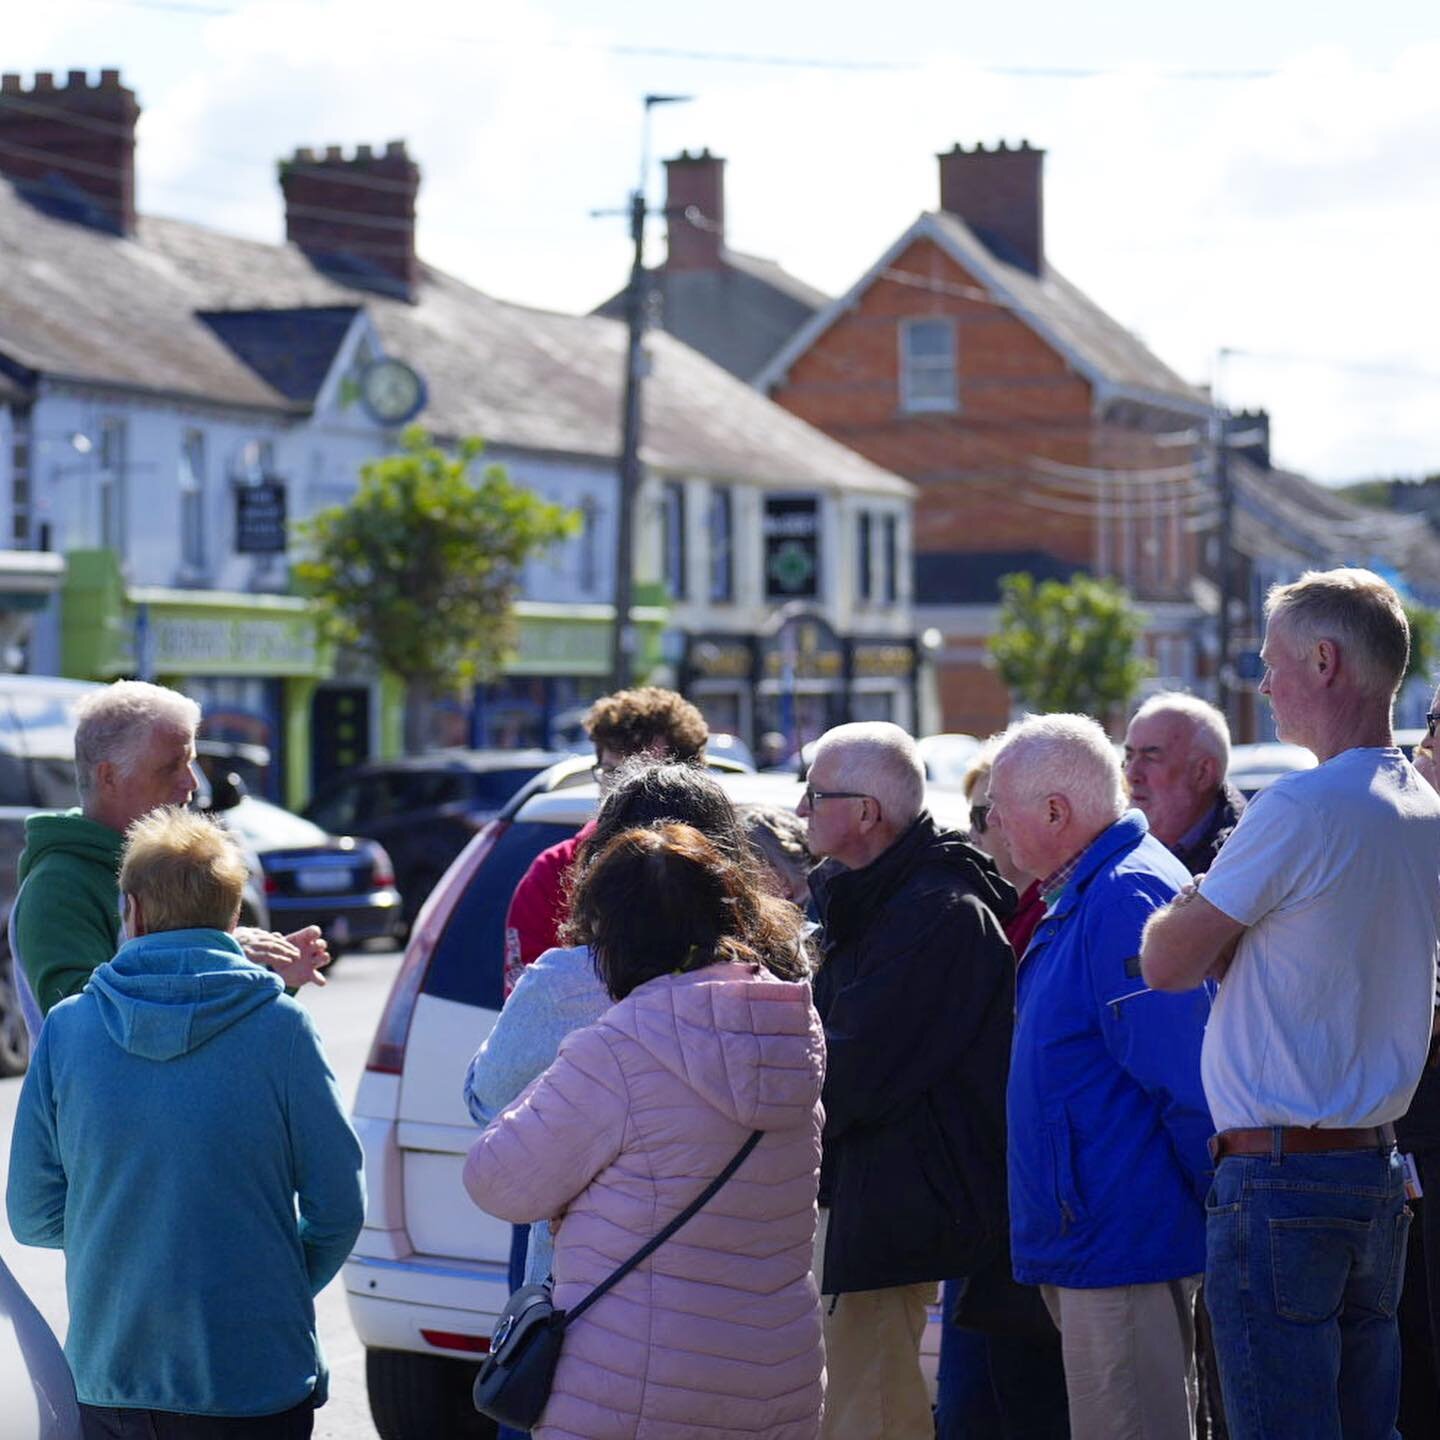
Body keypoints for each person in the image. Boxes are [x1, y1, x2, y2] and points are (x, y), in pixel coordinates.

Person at [1142, 567, 1440, 1440]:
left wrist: (1201, 903)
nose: (1261, 683)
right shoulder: (1423, 804)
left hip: (1282, 1174)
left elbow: (1165, 960)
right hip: (1375, 1170)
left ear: (1323, 661)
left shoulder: (1302, 806)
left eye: (1270, 662)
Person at [7, 807, 365, 1439]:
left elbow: (32, 1213)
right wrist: (271, 1282)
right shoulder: (281, 1027)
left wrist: (132, 1238)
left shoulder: (68, 1028)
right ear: (234, 918)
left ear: (134, 912)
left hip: (111, 1377)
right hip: (254, 1379)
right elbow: (338, 1206)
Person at [464, 822, 825, 1440]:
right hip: (776, 1383)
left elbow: (496, 1181)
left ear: (613, 939)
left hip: (632, 1384)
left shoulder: (617, 1049)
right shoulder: (791, 1031)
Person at [465, 761, 809, 1288]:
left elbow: (489, 1111)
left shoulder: (573, 982)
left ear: (606, 868)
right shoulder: (786, 982)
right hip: (766, 1309)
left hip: (609, 1303)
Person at [989, 713, 1213, 1440]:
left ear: (1057, 812)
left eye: (999, 806)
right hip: (1108, 1241)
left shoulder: (1122, 897)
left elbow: (1186, 1082)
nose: (989, 823)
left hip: (1125, 1248)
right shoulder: (1100, 889)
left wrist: (1220, 1216)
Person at [799, 721, 1016, 1440]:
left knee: (870, 1412)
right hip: (859, 1200)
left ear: (868, 813)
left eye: (816, 793)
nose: (801, 808)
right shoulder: (865, 899)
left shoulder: (939, 916)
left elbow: (846, 1076)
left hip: (892, 1212)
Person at [13, 680, 327, 1032]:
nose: (192, 783)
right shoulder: (59, 886)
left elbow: (202, 1032)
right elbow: (85, 1029)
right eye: (171, 766)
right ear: (109, 776)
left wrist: (273, 977)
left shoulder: (168, 867)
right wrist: (215, 954)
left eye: (191, 762)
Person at [934, 739, 1067, 1440]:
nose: (979, 828)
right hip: (982, 1206)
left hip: (1038, 1201)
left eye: (991, 812)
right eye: (975, 811)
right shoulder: (970, 914)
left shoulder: (1061, 916)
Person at [502, 686, 707, 994]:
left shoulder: (716, 871)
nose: (625, 789)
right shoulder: (555, 872)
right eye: (612, 772)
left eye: (645, 775)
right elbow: (528, 1001)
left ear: (687, 782)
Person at [1123, 691, 1245, 873]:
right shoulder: (1109, 842)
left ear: (1202, 773)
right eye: (1129, 756)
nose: (1131, 774)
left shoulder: (1244, 860)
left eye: (1151, 757)